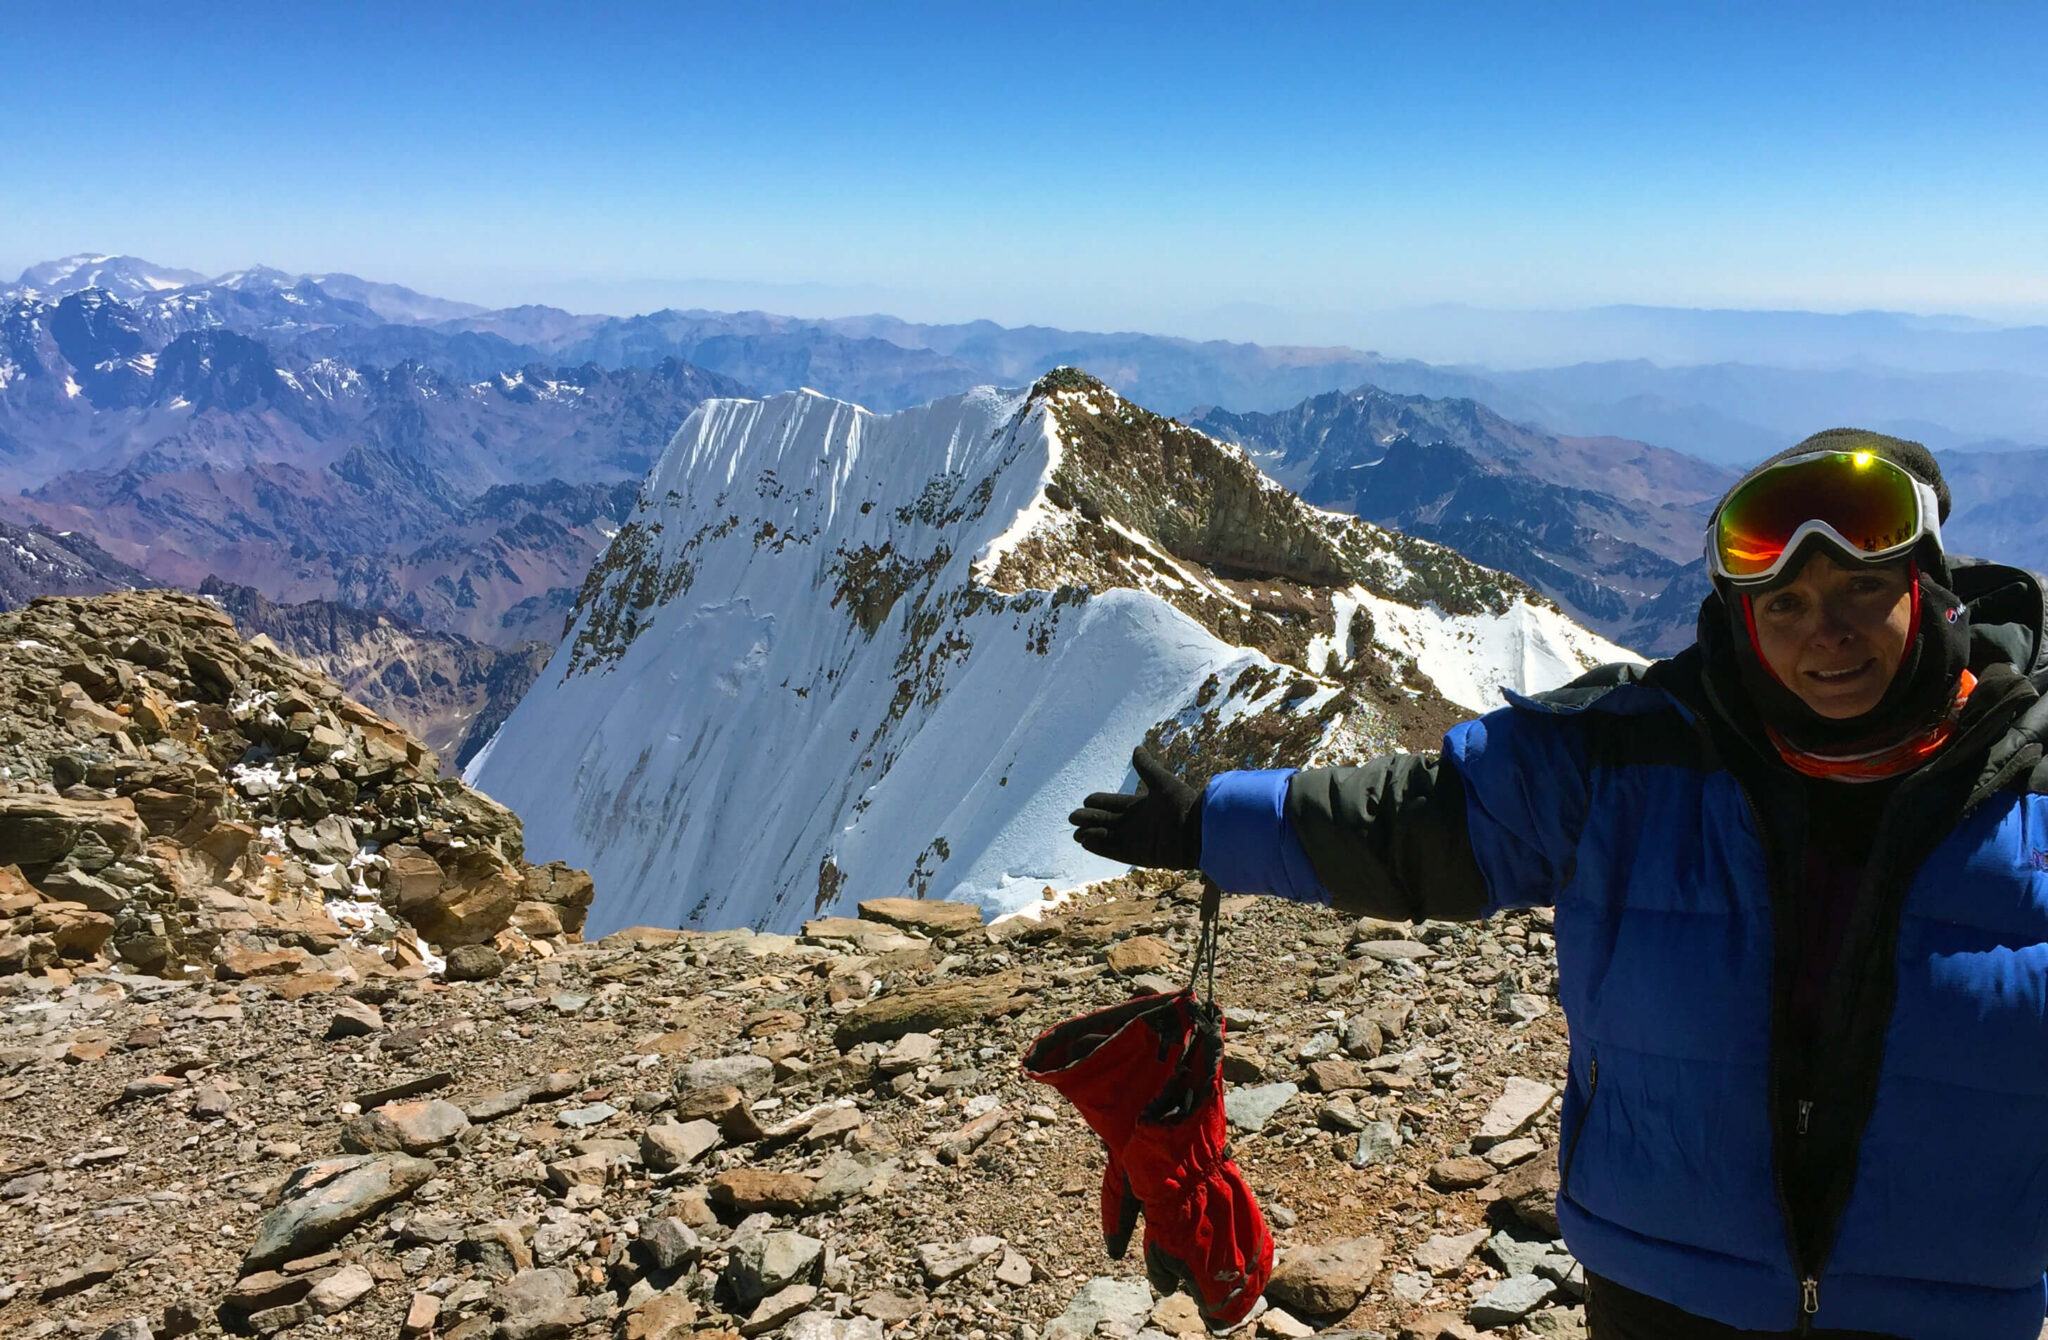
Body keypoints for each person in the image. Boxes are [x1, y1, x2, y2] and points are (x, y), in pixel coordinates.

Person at [1068, 429, 2048, 1340]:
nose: (1821, 633)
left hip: (1946, 1309)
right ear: (1740, 623)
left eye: (1857, 591)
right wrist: (1212, 824)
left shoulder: (2031, 785)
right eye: (1782, 604)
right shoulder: (1622, 761)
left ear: (1926, 589)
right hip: (1664, 1291)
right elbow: (1417, 819)